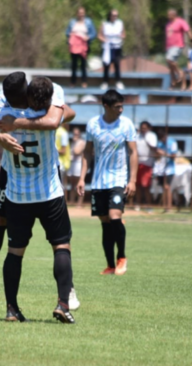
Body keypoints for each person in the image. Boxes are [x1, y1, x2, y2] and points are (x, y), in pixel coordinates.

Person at [0, 73, 79, 318]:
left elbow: (60, 117)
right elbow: (57, 119)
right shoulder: (40, 98)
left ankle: (12, 307)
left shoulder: (3, 116)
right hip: (44, 188)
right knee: (58, 243)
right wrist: (0, 138)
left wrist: (13, 125)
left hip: (18, 192)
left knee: (15, 249)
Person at [77, 90, 137, 276]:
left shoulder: (126, 124)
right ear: (106, 106)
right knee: (105, 222)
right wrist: (81, 178)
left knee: (114, 216)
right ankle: (110, 265)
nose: (121, 110)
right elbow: (87, 152)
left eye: (122, 106)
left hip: (118, 179)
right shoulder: (93, 125)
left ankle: (122, 258)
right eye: (117, 106)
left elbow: (133, 152)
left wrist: (132, 180)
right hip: (98, 181)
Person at [66, 7, 96, 88]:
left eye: (82, 13)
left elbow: (93, 33)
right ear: (77, 14)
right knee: (74, 65)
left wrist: (88, 37)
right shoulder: (72, 22)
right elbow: (67, 32)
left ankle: (84, 82)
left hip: (83, 46)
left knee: (83, 64)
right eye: (79, 13)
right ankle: (73, 82)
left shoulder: (88, 22)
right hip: (74, 47)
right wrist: (72, 36)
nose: (81, 15)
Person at [165, 9, 192, 89]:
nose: (168, 16)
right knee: (170, 66)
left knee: (169, 59)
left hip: (177, 45)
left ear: (174, 15)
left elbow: (187, 30)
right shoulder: (168, 24)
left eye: (169, 15)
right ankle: (173, 82)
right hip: (169, 47)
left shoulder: (180, 22)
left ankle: (179, 73)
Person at [98, 9, 125, 90]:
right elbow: (99, 35)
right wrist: (105, 40)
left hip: (117, 47)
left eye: (116, 15)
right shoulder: (105, 24)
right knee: (106, 65)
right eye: (113, 15)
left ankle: (118, 81)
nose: (114, 17)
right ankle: (105, 82)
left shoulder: (120, 23)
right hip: (107, 48)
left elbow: (124, 34)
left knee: (117, 64)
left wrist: (120, 37)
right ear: (109, 16)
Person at [134, 121, 157, 211]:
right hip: (137, 163)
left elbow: (154, 148)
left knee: (146, 186)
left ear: (148, 128)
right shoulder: (137, 136)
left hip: (147, 164)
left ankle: (148, 205)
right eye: (142, 128)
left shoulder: (151, 136)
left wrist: (146, 140)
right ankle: (138, 204)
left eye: (145, 128)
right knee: (137, 186)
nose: (143, 130)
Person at [156, 128, 178, 213]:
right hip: (161, 169)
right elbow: (157, 155)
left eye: (163, 137)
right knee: (163, 188)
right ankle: (165, 207)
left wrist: (164, 153)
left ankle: (169, 207)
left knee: (167, 187)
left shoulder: (172, 142)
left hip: (169, 169)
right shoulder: (159, 143)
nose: (162, 139)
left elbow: (174, 156)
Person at [68, 126, 86, 207]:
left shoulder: (81, 142)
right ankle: (72, 201)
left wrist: (75, 141)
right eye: (74, 134)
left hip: (79, 164)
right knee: (72, 185)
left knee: (80, 185)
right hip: (72, 164)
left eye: (77, 134)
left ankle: (79, 203)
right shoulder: (72, 142)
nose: (75, 135)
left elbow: (76, 151)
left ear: (80, 134)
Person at [56, 124, 71, 200]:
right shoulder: (62, 132)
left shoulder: (62, 133)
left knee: (60, 185)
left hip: (61, 163)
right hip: (60, 163)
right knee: (61, 185)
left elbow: (63, 150)